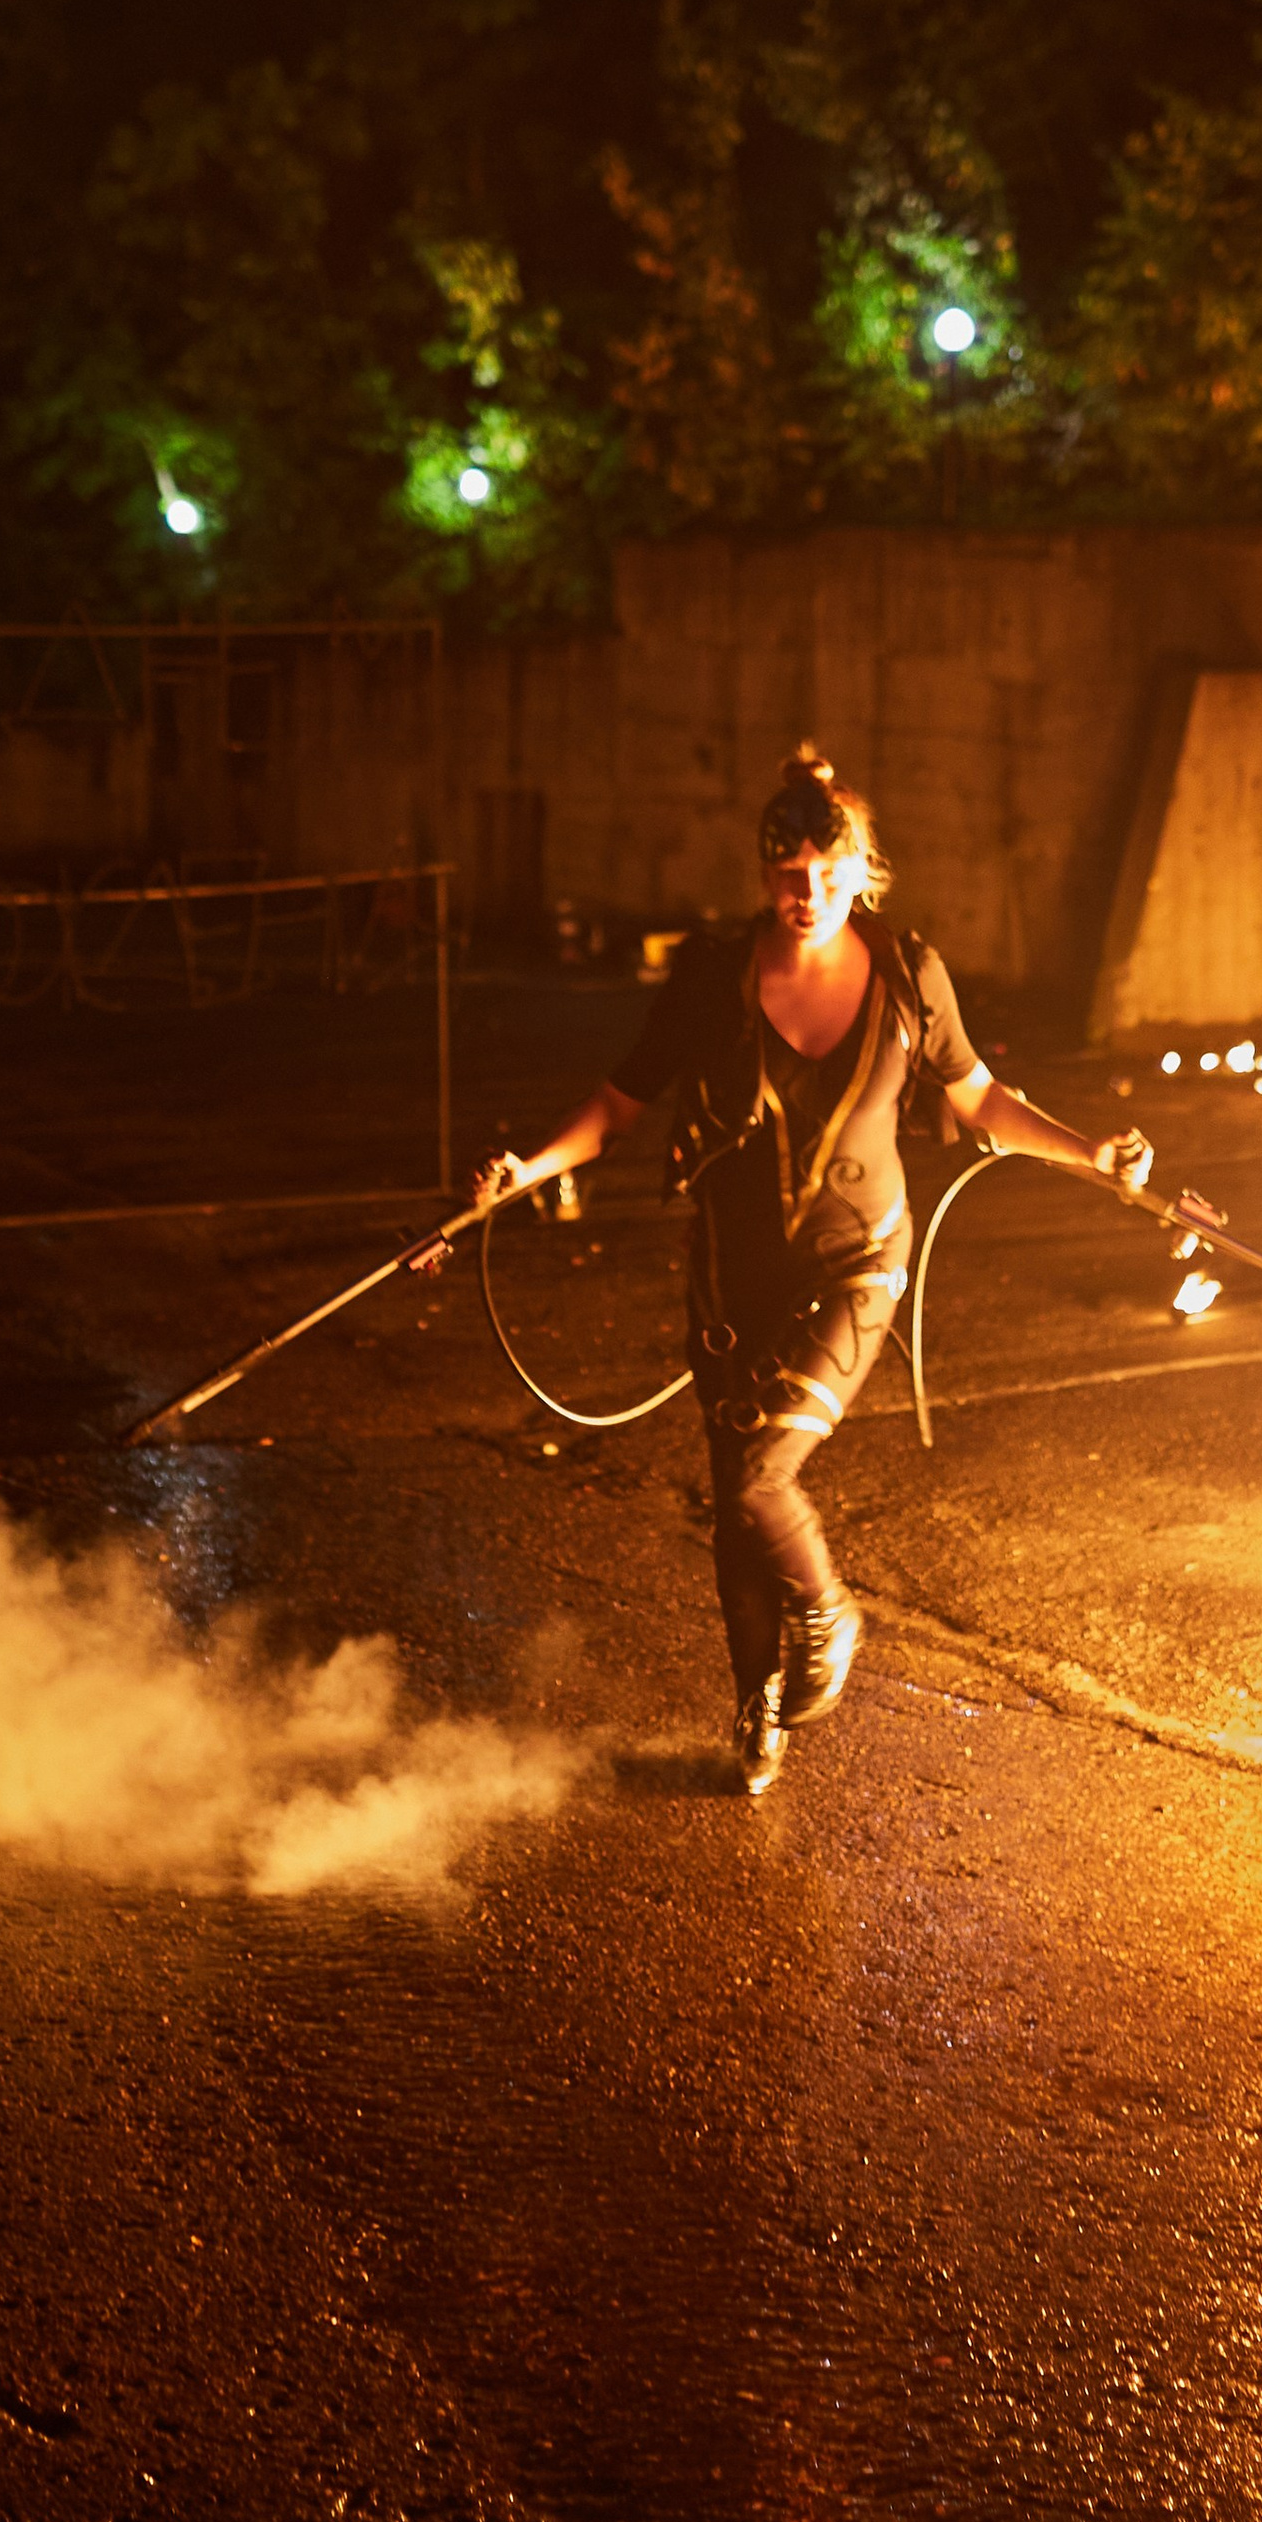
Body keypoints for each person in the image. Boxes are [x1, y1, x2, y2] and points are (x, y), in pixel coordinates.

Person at [475, 745, 1154, 1796]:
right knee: (736, 1505)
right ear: (762, 873)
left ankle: (830, 1612)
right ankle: (757, 1710)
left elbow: (977, 1099)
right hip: (727, 1279)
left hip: (856, 1263)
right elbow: (619, 1102)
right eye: (788, 878)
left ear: (861, 870)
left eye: (829, 877)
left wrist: (1091, 1155)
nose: (808, 897)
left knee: (759, 1473)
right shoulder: (711, 975)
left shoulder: (909, 973)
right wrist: (526, 1167)